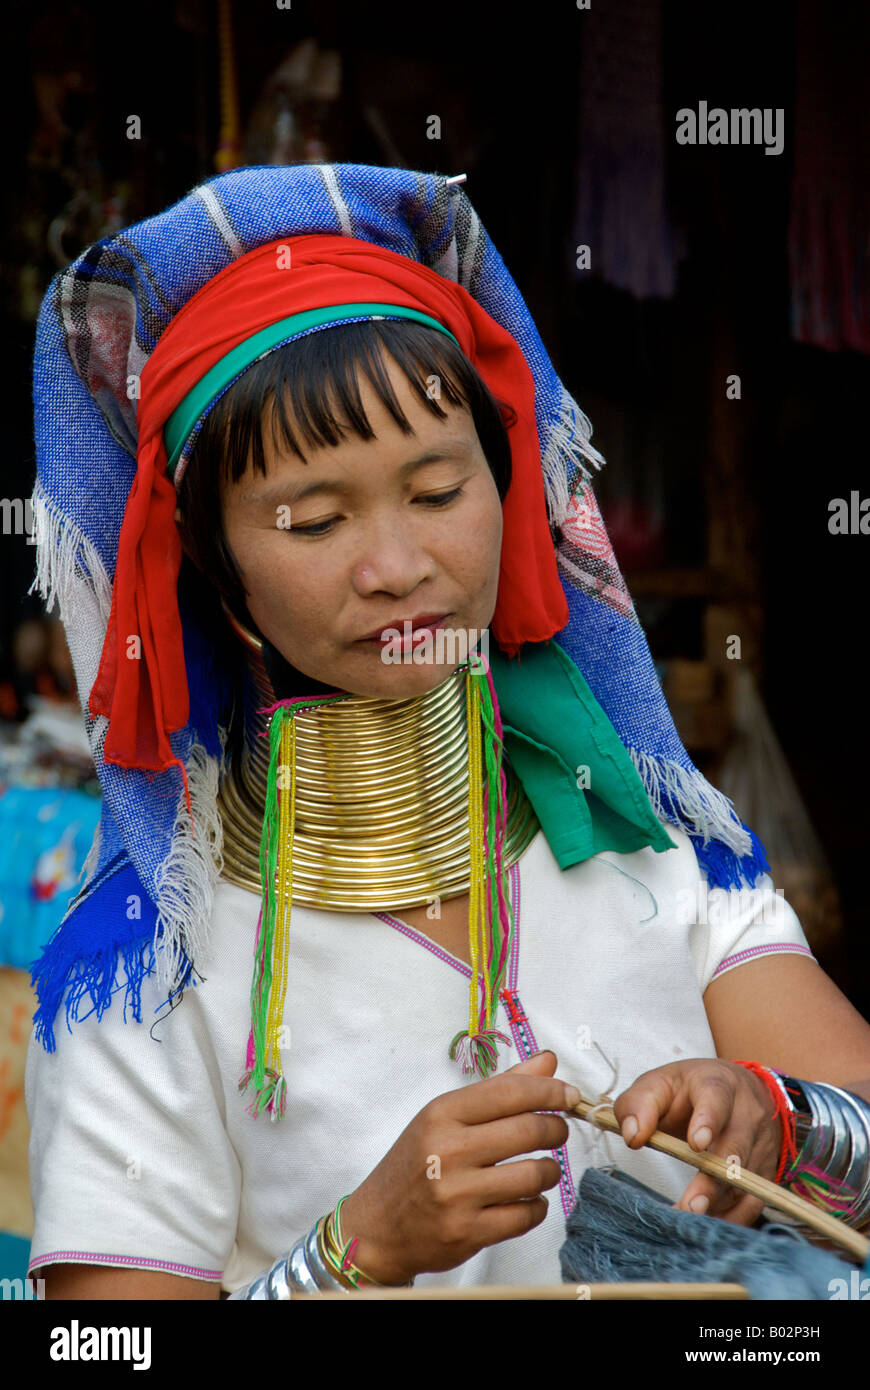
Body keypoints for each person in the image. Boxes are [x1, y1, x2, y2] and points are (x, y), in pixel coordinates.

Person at [24, 165, 870, 1300]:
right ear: (220, 583)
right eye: (315, 519)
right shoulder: (146, 967)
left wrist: (780, 1124)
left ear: (509, 498)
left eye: (435, 492)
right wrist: (353, 1251)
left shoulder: (650, 838)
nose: (398, 568)